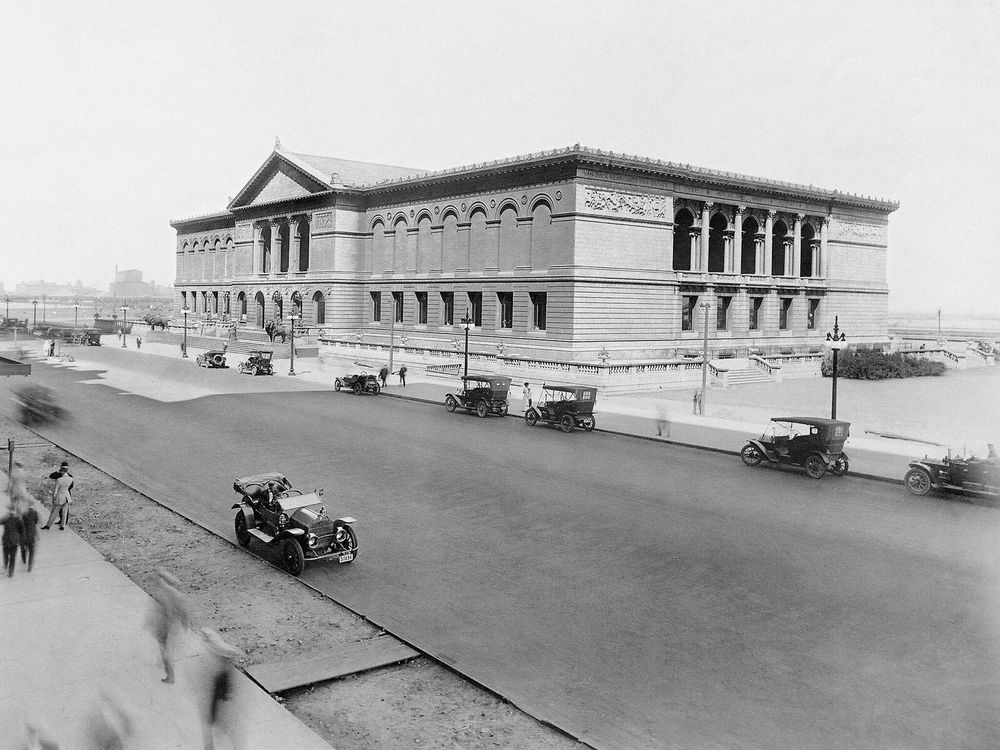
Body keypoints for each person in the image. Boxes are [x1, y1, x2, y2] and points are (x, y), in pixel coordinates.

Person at [200, 628, 244, 750]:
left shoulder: (222, 673)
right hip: (223, 700)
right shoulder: (225, 670)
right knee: (224, 728)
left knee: (218, 726)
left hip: (220, 700)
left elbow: (221, 692)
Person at [146, 568, 190, 684]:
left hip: (166, 627)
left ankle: (170, 676)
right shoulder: (170, 592)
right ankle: (167, 668)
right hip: (166, 625)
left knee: (165, 650)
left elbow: (177, 610)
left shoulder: (167, 592)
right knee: (164, 648)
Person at [42, 463, 74, 530]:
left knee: (54, 511)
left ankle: (48, 525)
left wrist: (54, 498)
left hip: (59, 496)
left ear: (61, 469)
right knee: (64, 512)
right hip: (67, 496)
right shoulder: (71, 477)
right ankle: (63, 525)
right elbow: (71, 486)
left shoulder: (59, 477)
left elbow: (55, 488)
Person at [2, 504, 24, 576]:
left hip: (6, 540)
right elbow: (22, 531)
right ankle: (11, 572)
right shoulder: (18, 519)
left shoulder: (6, 518)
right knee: (12, 557)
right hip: (14, 541)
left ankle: (6, 565)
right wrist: (21, 540)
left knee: (5, 554)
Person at [18, 497, 39, 572]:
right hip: (32, 535)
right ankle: (29, 566)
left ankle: (23, 558)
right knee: (31, 551)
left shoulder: (24, 514)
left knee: (24, 548)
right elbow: (36, 521)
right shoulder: (35, 513)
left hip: (24, 535)